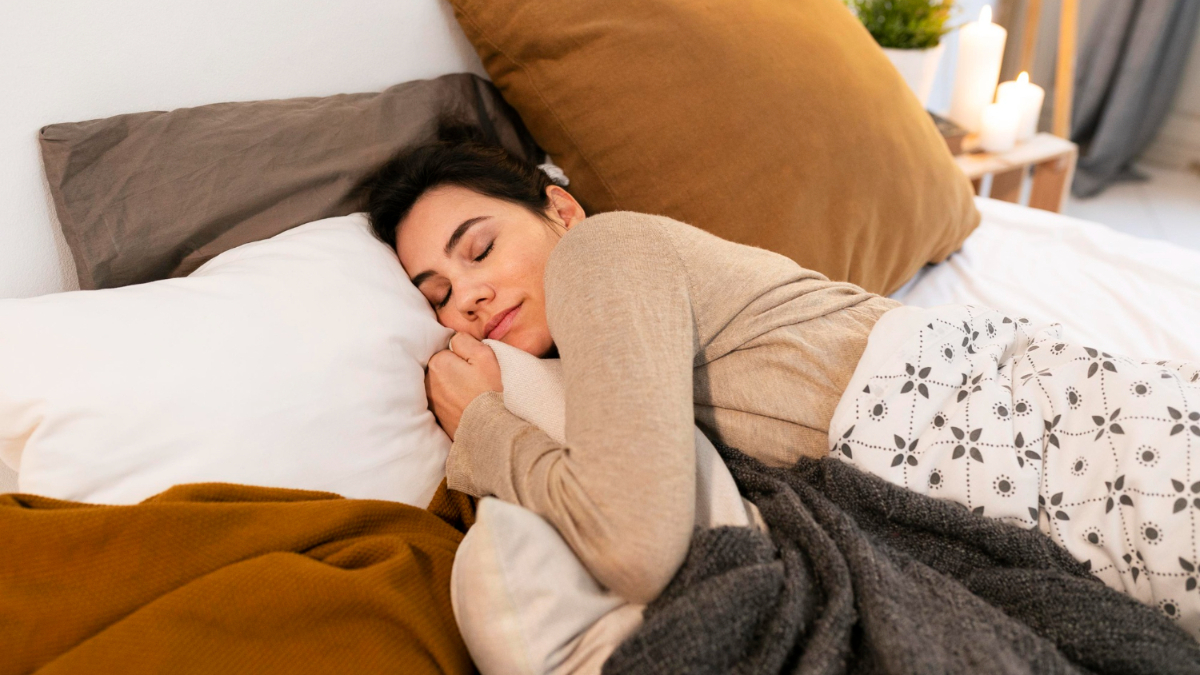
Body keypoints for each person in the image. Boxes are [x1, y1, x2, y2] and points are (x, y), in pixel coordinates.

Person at [361, 122, 898, 604]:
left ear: (563, 212)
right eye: (438, 296)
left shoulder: (601, 250)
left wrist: (483, 427)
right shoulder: (584, 361)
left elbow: (634, 550)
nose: (468, 297)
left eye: (480, 250)